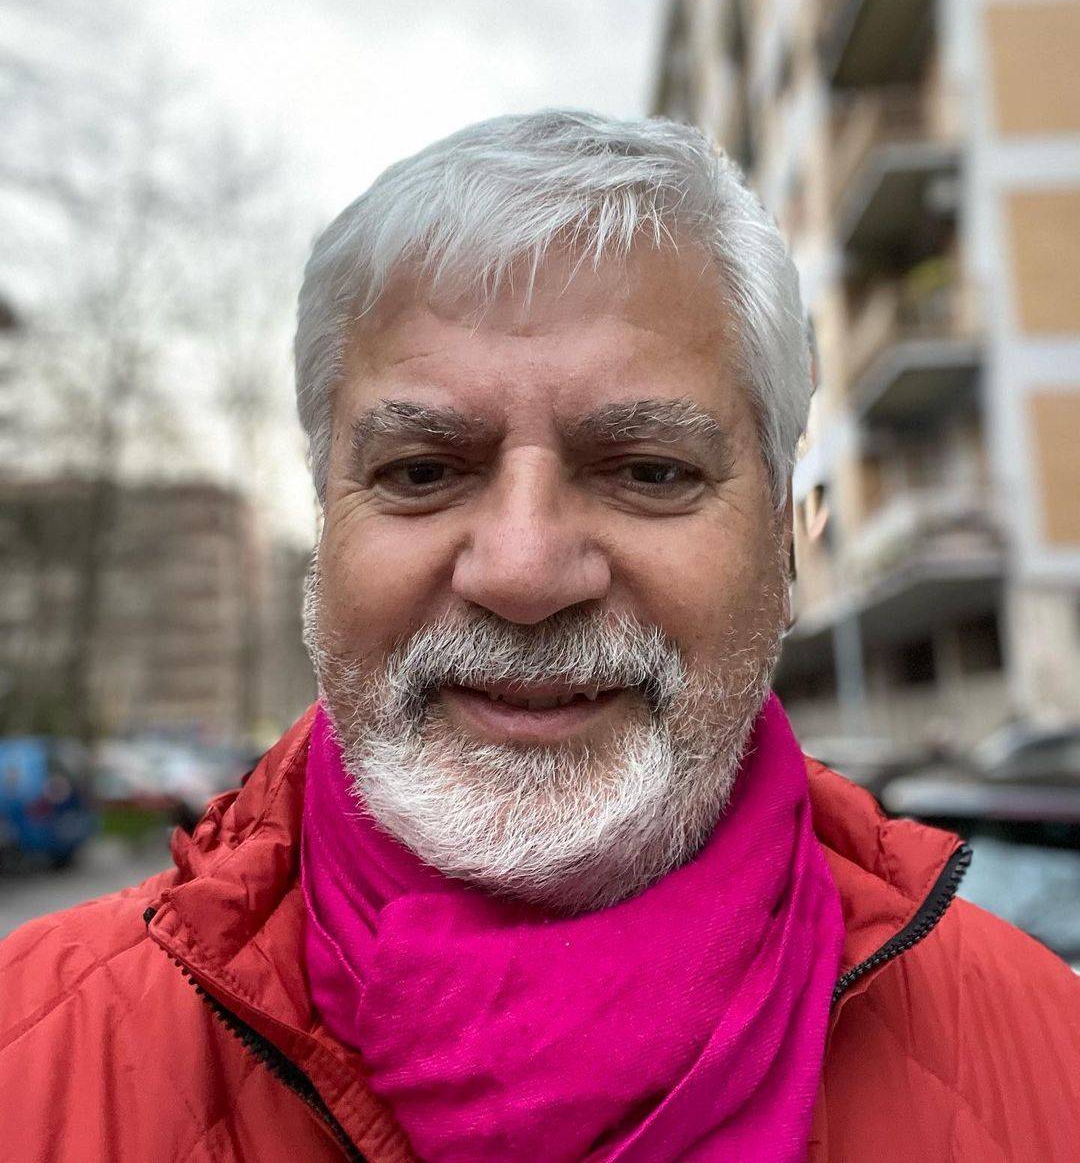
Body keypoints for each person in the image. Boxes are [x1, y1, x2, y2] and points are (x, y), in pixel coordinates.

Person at [2, 110, 1078, 1162]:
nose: (521, 574)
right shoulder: (30, 1054)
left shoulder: (1050, 1062)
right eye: (423, 471)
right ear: (326, 535)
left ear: (785, 548)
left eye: (650, 470)